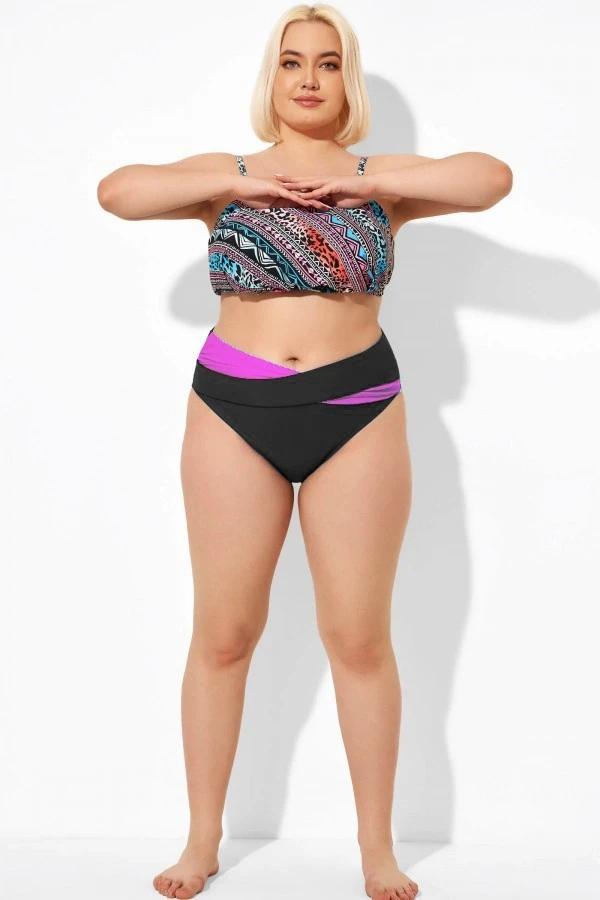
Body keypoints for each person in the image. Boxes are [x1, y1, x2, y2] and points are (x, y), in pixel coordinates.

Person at [97, 4, 512, 898]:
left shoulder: (379, 181)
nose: (310, 78)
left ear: (345, 78)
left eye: (327, 62)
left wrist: (371, 181)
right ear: (274, 77)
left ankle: (377, 850)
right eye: (293, 62)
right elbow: (117, 192)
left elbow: (492, 179)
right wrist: (239, 182)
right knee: (223, 635)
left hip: (357, 411)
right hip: (233, 410)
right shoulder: (228, 176)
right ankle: (202, 840)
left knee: (358, 638)